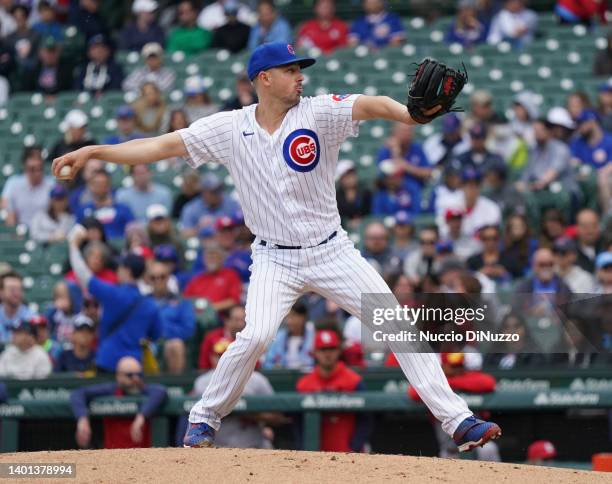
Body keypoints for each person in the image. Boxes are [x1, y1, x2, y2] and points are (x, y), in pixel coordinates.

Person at [52, 41, 501, 451]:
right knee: (257, 335)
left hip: (332, 250)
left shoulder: (319, 112)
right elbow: (158, 146)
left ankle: (458, 420)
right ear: (264, 78)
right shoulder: (230, 127)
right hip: (274, 258)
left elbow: (371, 104)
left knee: (396, 325)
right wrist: (94, 151)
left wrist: (410, 114)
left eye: (300, 69)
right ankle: (204, 418)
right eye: (291, 70)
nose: (300, 76)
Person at [67, 226, 161, 373]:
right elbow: (155, 335)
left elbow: (83, 275)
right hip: (134, 365)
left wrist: (73, 246)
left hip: (108, 361)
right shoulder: (150, 304)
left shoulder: (112, 293)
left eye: (121, 268)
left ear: (127, 271)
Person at [188, 334, 281, 449]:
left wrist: (254, 415)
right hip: (216, 448)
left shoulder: (257, 379)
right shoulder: (203, 382)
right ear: (212, 358)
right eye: (219, 356)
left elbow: (278, 415)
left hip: (254, 446)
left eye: (226, 355)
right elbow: (194, 418)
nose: (223, 360)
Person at [296, 330, 372, 452]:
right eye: (322, 349)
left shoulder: (354, 381)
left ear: (339, 350)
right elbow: (297, 423)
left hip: (349, 457)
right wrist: (303, 449)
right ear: (314, 352)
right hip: (314, 458)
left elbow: (366, 420)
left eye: (331, 349)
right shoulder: (304, 384)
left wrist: (355, 447)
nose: (327, 354)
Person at [70, 356, 167, 449]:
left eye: (139, 374)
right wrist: (82, 419)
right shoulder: (111, 389)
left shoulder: (144, 390)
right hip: (113, 455)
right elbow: (78, 393)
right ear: (119, 376)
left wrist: (141, 416)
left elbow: (161, 391)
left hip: (143, 455)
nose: (135, 378)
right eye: (130, 375)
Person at [149, 261, 195, 374]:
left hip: (169, 341)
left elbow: (189, 329)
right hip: (147, 343)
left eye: (162, 277)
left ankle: (174, 386)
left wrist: (162, 331)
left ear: (168, 278)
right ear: (149, 280)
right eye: (153, 278)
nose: (158, 280)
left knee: (175, 345)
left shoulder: (181, 302)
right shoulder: (142, 302)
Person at [436, 168, 501, 239]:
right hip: (454, 245)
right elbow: (442, 230)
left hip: (480, 246)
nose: (471, 188)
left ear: (480, 187)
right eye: (467, 184)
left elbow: (492, 235)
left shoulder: (491, 208)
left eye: (475, 185)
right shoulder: (449, 204)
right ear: (461, 186)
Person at [377, 122, 431, 205]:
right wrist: (395, 152)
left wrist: (407, 166)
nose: (407, 134)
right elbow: (382, 176)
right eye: (403, 131)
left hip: (415, 191)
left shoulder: (417, 148)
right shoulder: (386, 150)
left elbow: (428, 172)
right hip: (390, 192)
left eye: (409, 131)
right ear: (395, 132)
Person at [1, 146, 54, 228]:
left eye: (40, 168)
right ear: (25, 166)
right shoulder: (13, 183)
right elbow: (5, 206)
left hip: (46, 233)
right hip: (20, 232)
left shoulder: (52, 184)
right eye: (32, 169)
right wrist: (13, 231)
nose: (37, 173)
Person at [183, 239, 242, 312]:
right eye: (209, 256)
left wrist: (211, 308)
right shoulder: (197, 278)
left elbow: (234, 300)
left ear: (222, 259)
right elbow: (186, 300)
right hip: (198, 316)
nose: (211, 259)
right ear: (204, 259)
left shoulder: (230, 275)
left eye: (215, 256)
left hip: (222, 317)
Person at [76, 170, 135, 240]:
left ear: (109, 185)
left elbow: (133, 229)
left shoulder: (122, 209)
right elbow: (77, 231)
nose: (100, 187)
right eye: (97, 184)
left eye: (103, 184)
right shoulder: (83, 210)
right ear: (90, 186)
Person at [179, 173, 240, 237]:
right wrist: (199, 228)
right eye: (214, 191)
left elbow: (241, 227)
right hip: (203, 245)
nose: (218, 193)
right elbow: (184, 235)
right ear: (203, 192)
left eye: (220, 189)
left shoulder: (232, 204)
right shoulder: (191, 208)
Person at [263, 301, 315, 369]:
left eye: (293, 316)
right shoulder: (279, 337)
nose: (289, 321)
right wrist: (274, 367)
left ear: (303, 317)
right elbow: (267, 363)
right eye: (287, 317)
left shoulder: (313, 337)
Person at [198, 304, 246, 370]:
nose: (241, 324)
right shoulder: (211, 337)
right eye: (236, 320)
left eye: (243, 320)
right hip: (214, 373)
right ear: (227, 321)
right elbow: (203, 364)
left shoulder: (250, 338)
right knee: (201, 380)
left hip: (246, 374)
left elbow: (256, 365)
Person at [335, 159, 371, 229]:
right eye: (346, 176)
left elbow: (370, 213)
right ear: (341, 179)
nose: (350, 178)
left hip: (365, 227)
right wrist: (347, 222)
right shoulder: (336, 197)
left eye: (352, 174)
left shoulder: (366, 193)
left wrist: (362, 221)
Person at [0, 272, 32, 346]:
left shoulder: (31, 318)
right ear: (1, 292)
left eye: (19, 289)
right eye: (12, 289)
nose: (16, 293)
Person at [575, 208, 603, 272]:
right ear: (577, 228)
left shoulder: (607, 249)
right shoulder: (570, 253)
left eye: (594, 226)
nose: (590, 230)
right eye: (585, 226)